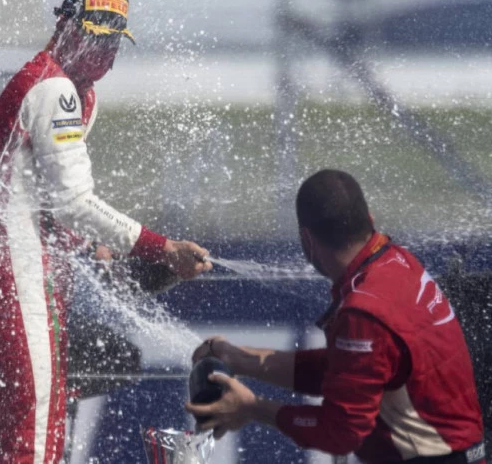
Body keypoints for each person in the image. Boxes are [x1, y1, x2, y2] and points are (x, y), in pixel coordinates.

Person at [0, 0, 212, 463]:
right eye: (96, 36)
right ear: (65, 27)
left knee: (46, 442)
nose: (105, 51)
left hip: (23, 277)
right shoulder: (54, 87)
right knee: (33, 446)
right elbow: (73, 202)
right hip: (17, 281)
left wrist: (95, 246)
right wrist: (162, 248)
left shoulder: (75, 90)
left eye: (114, 40)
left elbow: (45, 199)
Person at [186, 169, 486, 464]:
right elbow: (350, 371)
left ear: (307, 239)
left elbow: (341, 432)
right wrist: (240, 359)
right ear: (369, 220)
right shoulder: (396, 260)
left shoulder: (363, 313)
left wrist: (252, 407)